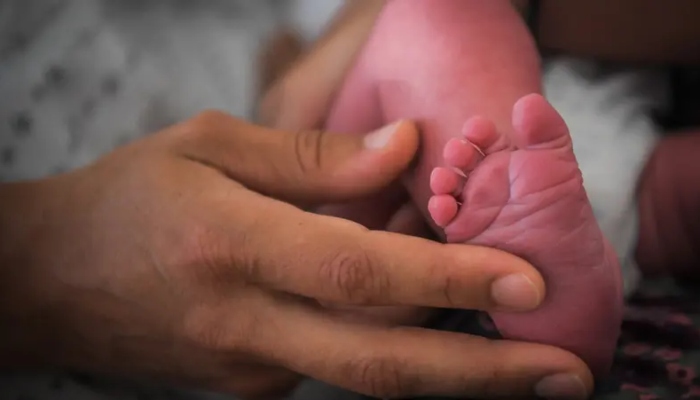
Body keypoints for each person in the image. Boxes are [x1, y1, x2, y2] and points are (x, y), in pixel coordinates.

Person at [0, 110, 594, 399]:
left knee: (434, 27)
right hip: (248, 190)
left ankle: (535, 216)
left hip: (294, 99)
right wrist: (28, 273)